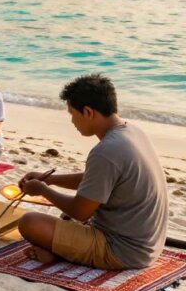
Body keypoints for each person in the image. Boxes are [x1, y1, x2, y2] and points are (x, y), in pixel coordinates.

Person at [16, 74, 168, 270]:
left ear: (88, 112)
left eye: (72, 113)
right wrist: (50, 179)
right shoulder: (132, 132)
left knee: (30, 222)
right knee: (64, 217)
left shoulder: (106, 151)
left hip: (122, 251)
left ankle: (59, 254)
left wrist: (42, 190)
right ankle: (58, 250)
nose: (72, 121)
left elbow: (80, 212)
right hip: (149, 246)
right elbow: (96, 179)